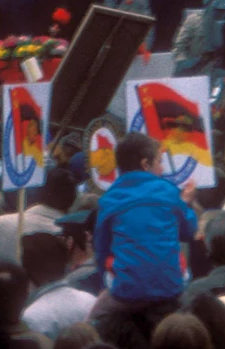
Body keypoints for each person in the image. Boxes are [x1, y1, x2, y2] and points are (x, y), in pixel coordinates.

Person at [91, 132, 196, 337]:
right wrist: (186, 204)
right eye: (159, 161)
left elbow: (101, 252)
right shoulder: (169, 192)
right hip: (171, 289)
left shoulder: (108, 200)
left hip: (125, 294)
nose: (162, 168)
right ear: (145, 163)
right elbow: (189, 232)